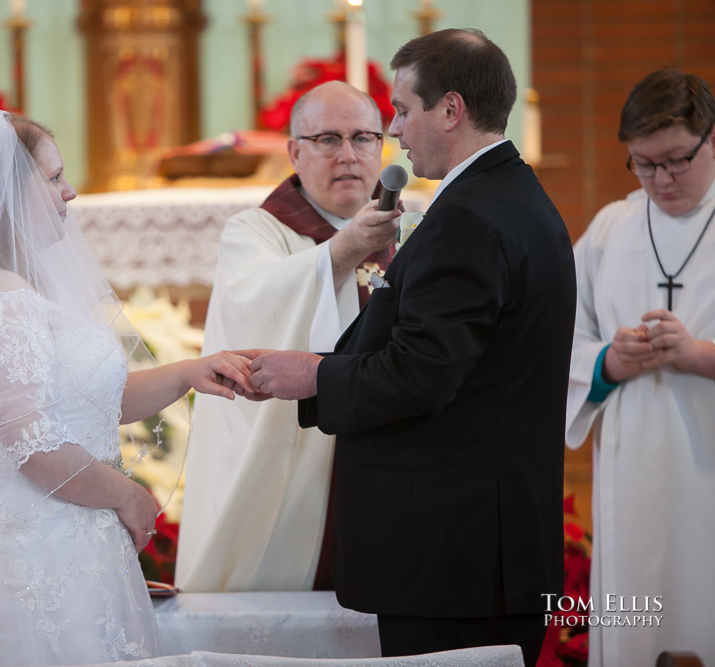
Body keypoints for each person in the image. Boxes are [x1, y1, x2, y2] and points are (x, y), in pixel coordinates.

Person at [242, 29, 576, 665]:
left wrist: (313, 375)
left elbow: (421, 374)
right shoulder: (509, 196)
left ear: (450, 110)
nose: (393, 131)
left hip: (455, 553)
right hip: (479, 545)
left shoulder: (470, 216)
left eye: (400, 110)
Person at [0, 109, 254, 665]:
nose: (70, 192)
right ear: (5, 192)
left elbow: (77, 408)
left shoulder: (2, 289)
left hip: (42, 536)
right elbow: (37, 447)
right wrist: (129, 498)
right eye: (52, 178)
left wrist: (185, 373)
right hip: (28, 552)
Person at [175, 80, 400, 592]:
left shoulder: (413, 227)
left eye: (363, 138)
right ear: (295, 152)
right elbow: (258, 303)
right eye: (327, 140)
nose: (347, 155)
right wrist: (343, 250)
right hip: (293, 455)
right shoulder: (256, 231)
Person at [566, 69, 715, 667]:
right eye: (644, 164)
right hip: (635, 464)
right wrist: (609, 361)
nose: (661, 180)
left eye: (677, 160)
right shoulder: (611, 229)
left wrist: (698, 355)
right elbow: (561, 338)